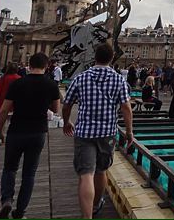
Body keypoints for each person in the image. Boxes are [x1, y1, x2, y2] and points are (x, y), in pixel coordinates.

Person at [62, 43, 134, 218]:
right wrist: (129, 132)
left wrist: (66, 121)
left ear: (95, 57)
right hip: (107, 133)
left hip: (84, 132)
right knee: (101, 171)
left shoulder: (81, 78)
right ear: (111, 59)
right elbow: (126, 107)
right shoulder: (119, 80)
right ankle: (96, 204)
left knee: (86, 175)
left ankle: (87, 216)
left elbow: (67, 103)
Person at [0, 53, 60, 219]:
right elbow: (56, 110)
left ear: (29, 65)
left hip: (16, 131)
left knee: (9, 169)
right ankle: (20, 212)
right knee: (29, 174)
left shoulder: (18, 83)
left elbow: (3, 110)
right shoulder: (51, 85)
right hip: (38, 132)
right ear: (46, 67)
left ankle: (7, 200)